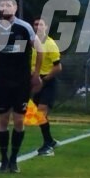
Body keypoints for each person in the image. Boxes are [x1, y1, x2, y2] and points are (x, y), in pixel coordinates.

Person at [0, 0, 43, 172]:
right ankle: (3, 160)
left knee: (18, 120)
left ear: (15, 8)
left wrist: (36, 74)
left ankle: (14, 159)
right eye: (2, 5)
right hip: (2, 80)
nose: (5, 7)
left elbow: (40, 50)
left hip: (21, 81)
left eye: (9, 5)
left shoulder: (24, 28)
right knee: (3, 119)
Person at [31, 17, 62, 156]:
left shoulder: (50, 44)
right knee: (37, 115)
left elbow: (58, 67)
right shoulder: (30, 43)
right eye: (35, 24)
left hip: (47, 81)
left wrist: (43, 80)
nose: (38, 26)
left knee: (41, 112)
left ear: (46, 27)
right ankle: (50, 141)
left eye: (41, 24)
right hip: (35, 80)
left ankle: (47, 146)